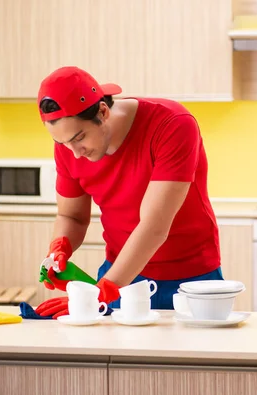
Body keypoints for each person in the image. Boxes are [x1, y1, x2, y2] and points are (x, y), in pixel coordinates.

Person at [34, 66, 223, 318]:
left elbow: (154, 226)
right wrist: (59, 248)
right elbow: (72, 217)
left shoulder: (173, 125)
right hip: (120, 275)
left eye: (79, 138)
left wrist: (101, 293)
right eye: (63, 143)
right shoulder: (70, 148)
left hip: (191, 280)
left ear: (103, 112)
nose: (75, 152)